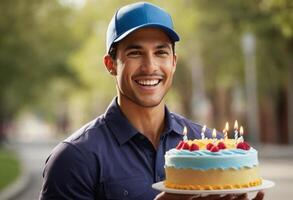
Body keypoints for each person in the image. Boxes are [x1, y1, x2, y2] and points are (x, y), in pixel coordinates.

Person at [39, 2, 264, 200]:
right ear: (110, 64)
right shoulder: (74, 159)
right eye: (135, 53)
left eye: (160, 53)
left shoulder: (208, 146)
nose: (150, 67)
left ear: (174, 62)